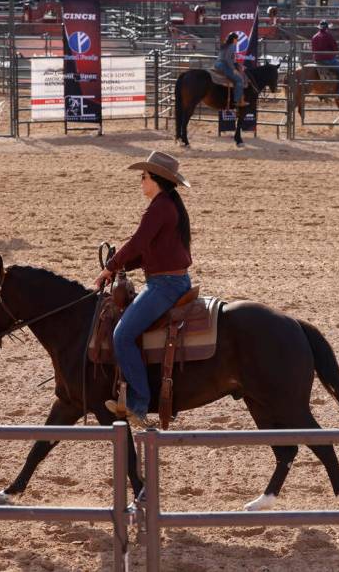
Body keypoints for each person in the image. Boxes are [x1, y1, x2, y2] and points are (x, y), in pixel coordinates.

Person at [95, 151, 193, 428]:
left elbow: (138, 242)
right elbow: (149, 251)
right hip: (171, 280)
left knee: (122, 335)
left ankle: (139, 404)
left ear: (156, 179)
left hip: (165, 285)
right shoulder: (169, 205)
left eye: (143, 177)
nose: (140, 182)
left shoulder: (159, 207)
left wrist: (110, 266)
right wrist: (119, 267)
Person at [311, 20, 339, 99]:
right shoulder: (328, 36)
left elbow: (313, 50)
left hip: (317, 60)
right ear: (327, 28)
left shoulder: (314, 37)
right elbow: (335, 48)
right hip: (328, 60)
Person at [214, 32, 248, 108]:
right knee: (240, 80)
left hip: (218, 64)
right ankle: (237, 100)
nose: (237, 41)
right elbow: (228, 59)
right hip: (223, 65)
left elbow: (231, 59)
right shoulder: (232, 46)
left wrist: (240, 65)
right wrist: (233, 69)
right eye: (237, 39)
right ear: (234, 39)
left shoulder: (225, 45)